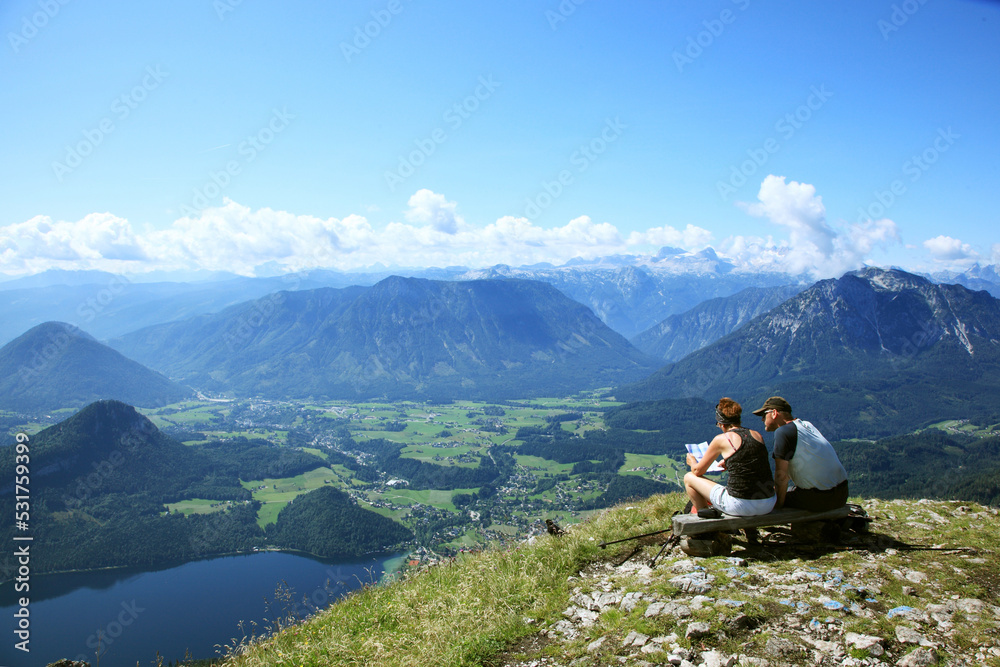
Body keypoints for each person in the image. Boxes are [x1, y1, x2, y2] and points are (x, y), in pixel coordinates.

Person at [752, 396, 849, 511]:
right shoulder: (806, 425)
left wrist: (777, 505)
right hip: (842, 494)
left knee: (765, 499)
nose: (762, 419)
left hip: (822, 498)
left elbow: (781, 477)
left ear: (774, 413)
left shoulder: (783, 433)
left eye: (764, 415)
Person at [684, 397, 776, 517]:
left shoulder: (722, 439)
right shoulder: (757, 435)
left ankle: (706, 520)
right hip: (768, 502)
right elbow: (751, 459)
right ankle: (750, 529)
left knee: (689, 477)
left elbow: (697, 471)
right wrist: (729, 461)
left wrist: (692, 462)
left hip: (740, 505)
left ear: (722, 424)